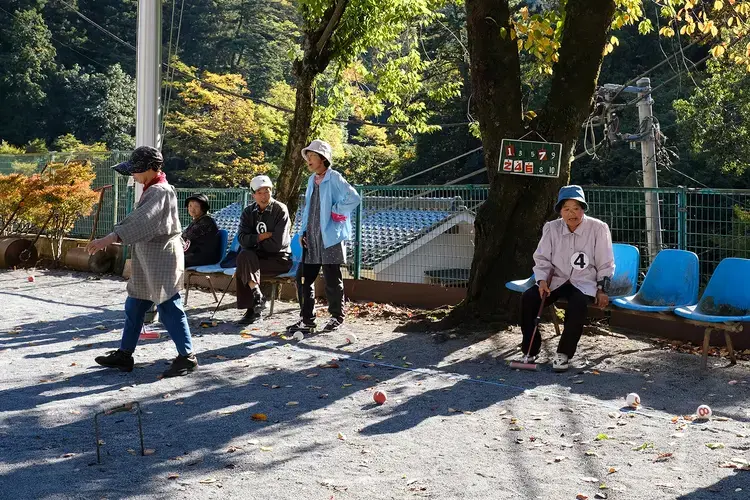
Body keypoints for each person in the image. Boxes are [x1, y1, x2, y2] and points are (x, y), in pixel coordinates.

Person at [86, 146, 198, 378]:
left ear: (148, 168)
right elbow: (141, 222)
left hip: (162, 256)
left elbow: (141, 222)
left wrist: (110, 237)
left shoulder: (159, 191)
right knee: (135, 305)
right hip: (150, 256)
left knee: (169, 305)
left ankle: (187, 357)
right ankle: (124, 355)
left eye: (135, 170)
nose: (132, 175)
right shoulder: (154, 188)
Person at [520, 185, 615, 372]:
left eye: (576, 208)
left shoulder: (598, 228)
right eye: (566, 209)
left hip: (584, 281)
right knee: (529, 299)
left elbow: (606, 262)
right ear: (560, 212)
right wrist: (541, 280)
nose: (572, 213)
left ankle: (564, 354)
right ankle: (530, 349)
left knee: (578, 304)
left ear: (583, 209)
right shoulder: (551, 228)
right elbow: (542, 258)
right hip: (556, 279)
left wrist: (602, 289)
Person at [286, 139, 361, 334]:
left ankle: (336, 317)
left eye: (312, 157)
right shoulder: (312, 180)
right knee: (303, 278)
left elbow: (354, 197)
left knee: (331, 280)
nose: (308, 161)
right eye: (308, 157)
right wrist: (302, 232)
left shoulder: (334, 177)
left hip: (330, 238)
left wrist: (338, 210)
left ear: (323, 158)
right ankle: (307, 320)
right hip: (311, 237)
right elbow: (309, 209)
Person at [235, 175, 292, 325]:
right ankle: (257, 297)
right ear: (253, 194)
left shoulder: (280, 210)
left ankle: (253, 309)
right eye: (259, 192)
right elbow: (241, 238)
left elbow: (277, 244)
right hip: (256, 258)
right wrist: (261, 237)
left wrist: (253, 241)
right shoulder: (248, 212)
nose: (263, 196)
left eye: (267, 192)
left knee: (244, 264)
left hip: (279, 259)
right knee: (244, 256)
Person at [182, 193, 222, 268]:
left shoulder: (207, 221)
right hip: (195, 255)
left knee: (175, 260)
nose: (192, 209)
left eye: (196, 206)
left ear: (203, 208)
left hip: (204, 257)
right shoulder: (196, 221)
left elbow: (188, 235)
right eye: (190, 206)